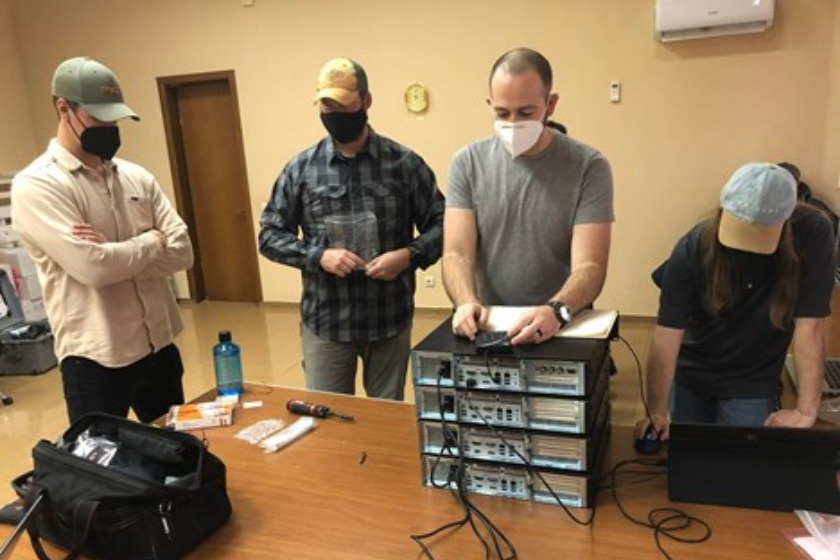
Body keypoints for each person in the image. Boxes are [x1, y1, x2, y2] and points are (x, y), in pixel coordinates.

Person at [11, 56, 194, 425]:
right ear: (64, 109)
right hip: (97, 359)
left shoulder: (136, 177)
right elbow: (94, 269)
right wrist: (151, 239)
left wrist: (114, 252)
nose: (110, 128)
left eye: (115, 119)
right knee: (101, 458)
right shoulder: (39, 185)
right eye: (99, 117)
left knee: (175, 450)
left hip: (158, 345)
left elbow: (183, 252)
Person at [258, 57, 445, 401]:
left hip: (388, 318)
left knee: (385, 418)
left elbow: (444, 223)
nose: (334, 113)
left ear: (366, 100)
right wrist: (318, 256)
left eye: (343, 104)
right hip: (327, 322)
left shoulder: (404, 164)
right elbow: (269, 235)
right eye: (327, 105)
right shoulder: (301, 169)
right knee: (329, 419)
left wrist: (409, 255)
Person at [635, 163, 835, 442]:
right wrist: (657, 410)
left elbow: (809, 327)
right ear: (722, 209)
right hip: (693, 366)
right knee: (691, 450)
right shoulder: (692, 247)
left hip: (753, 375)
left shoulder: (813, 234)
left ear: (787, 221)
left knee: (741, 456)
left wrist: (805, 410)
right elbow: (667, 335)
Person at [443, 48, 614, 345]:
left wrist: (557, 310)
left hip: (562, 323)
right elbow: (457, 253)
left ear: (550, 104)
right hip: (490, 323)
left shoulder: (589, 166)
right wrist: (465, 301)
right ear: (489, 104)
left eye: (525, 113)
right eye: (502, 113)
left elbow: (590, 266)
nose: (512, 123)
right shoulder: (467, 163)